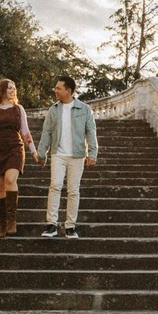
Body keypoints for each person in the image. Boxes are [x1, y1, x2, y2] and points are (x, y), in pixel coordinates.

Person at [38, 75, 98, 238]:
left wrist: (92, 152)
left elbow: (90, 132)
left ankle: (70, 226)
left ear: (68, 90)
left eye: (58, 88)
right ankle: (51, 225)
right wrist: (41, 152)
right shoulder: (54, 109)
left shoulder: (84, 109)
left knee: (73, 191)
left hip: (77, 155)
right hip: (58, 153)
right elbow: (47, 132)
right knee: (55, 186)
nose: (55, 91)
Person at [0, 78, 39, 237]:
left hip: (14, 147)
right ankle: (2, 223)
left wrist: (33, 151)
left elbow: (25, 132)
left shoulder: (18, 109)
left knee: (10, 180)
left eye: (14, 88)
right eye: (10, 88)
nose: (13, 91)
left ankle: (12, 221)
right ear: (2, 90)